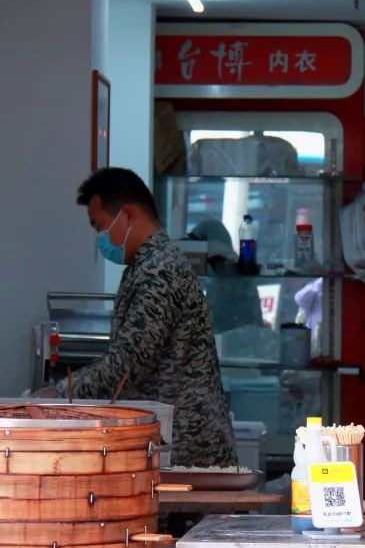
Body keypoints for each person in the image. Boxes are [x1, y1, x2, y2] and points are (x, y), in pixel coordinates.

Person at [45, 168, 239, 469]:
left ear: (127, 214)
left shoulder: (159, 269)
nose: (100, 238)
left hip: (189, 445)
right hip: (174, 439)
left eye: (100, 226)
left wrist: (61, 394)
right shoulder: (145, 265)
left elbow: (130, 361)